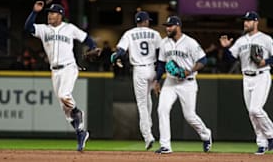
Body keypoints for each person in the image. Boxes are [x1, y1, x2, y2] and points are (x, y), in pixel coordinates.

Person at [24, 1, 101, 151]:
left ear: (60, 15)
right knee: (65, 109)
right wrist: (34, 12)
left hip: (69, 68)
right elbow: (28, 28)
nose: (49, 15)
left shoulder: (69, 28)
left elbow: (86, 38)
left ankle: (78, 112)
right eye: (48, 13)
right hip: (55, 71)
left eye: (52, 13)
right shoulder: (44, 30)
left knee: (64, 95)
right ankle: (81, 133)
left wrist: (93, 48)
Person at [153, 16, 212, 154]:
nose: (167, 28)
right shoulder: (164, 43)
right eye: (166, 26)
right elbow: (161, 64)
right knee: (162, 109)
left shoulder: (190, 42)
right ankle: (165, 145)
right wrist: (157, 81)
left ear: (178, 26)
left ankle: (206, 134)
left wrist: (190, 70)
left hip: (188, 83)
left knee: (190, 116)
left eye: (170, 26)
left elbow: (203, 60)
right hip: (170, 81)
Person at [219, 11, 273, 155]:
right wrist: (225, 48)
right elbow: (230, 59)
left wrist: (265, 61)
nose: (245, 23)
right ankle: (262, 144)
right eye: (244, 21)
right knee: (252, 113)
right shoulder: (241, 41)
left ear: (256, 22)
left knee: (256, 109)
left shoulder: (266, 39)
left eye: (248, 21)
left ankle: (271, 134)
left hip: (261, 75)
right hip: (246, 77)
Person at [110, 11, 162, 150]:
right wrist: (159, 76)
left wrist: (115, 57)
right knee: (148, 100)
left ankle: (147, 135)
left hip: (139, 70)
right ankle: (148, 127)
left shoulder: (129, 33)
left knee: (142, 103)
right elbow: (160, 54)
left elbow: (120, 51)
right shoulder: (155, 34)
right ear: (145, 21)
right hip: (152, 68)